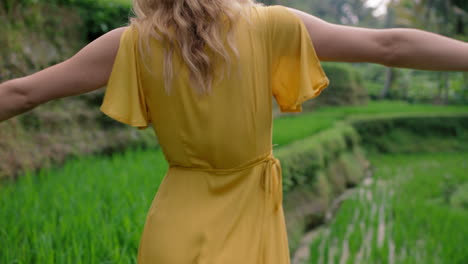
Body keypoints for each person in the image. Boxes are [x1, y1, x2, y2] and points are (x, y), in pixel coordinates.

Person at [0, 0, 467, 263]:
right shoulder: (270, 26)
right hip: (250, 220)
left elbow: (21, 93)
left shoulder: (131, 44)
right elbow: (389, 44)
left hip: (173, 230)